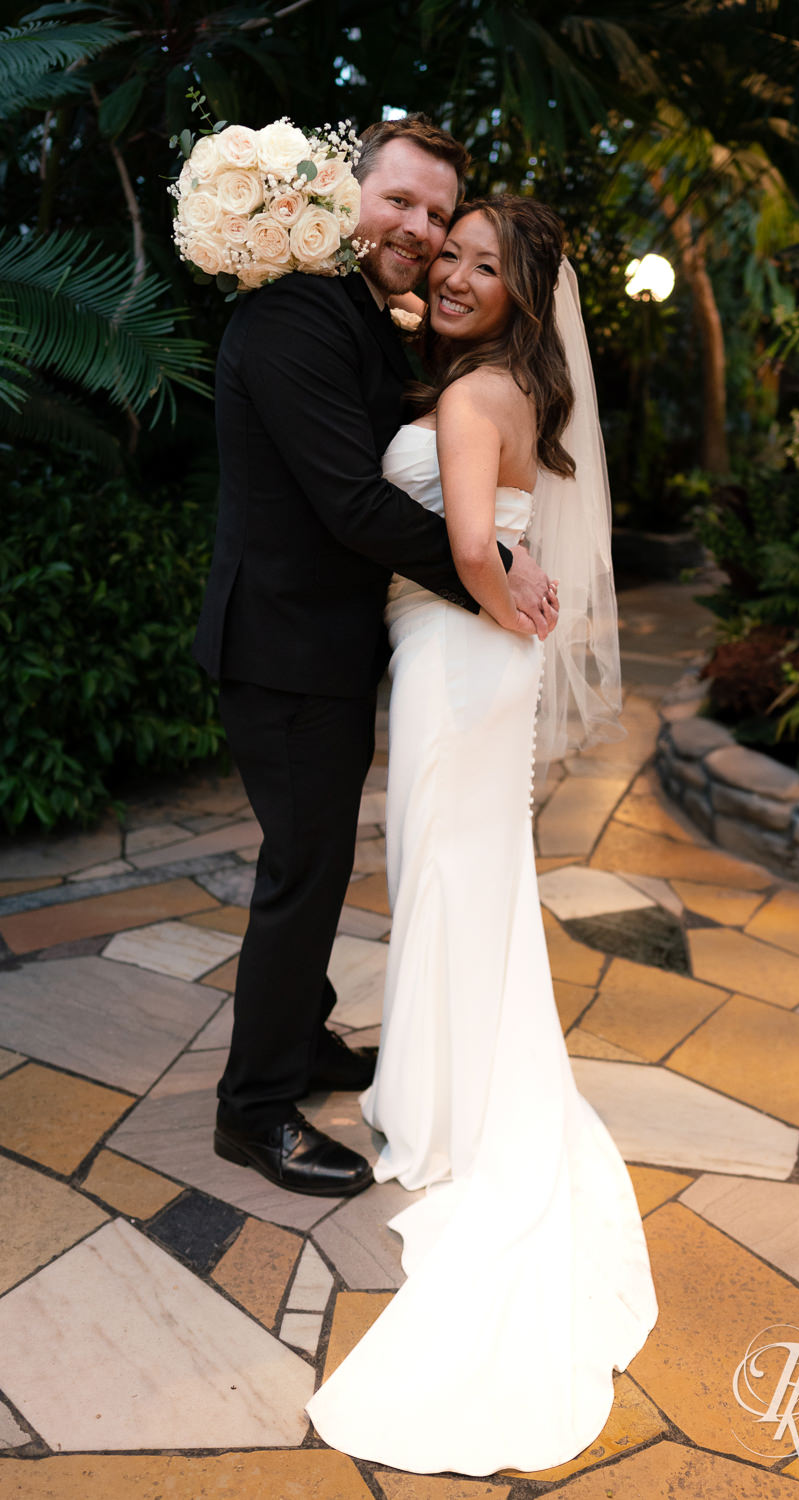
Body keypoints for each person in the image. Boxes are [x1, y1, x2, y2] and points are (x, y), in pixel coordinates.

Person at [306, 197, 657, 1475]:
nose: (450, 273)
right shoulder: (507, 387)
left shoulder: (466, 402)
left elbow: (461, 545)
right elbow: (495, 539)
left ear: (522, 288)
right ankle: (452, 1103)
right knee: (470, 886)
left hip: (459, 655)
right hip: (471, 654)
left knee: (445, 885)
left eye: (478, 264)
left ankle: (447, 1124)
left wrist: (507, 608)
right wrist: (517, 597)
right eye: (444, 253)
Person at [194, 116, 559, 1198]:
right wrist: (490, 568)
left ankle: (300, 1045)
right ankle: (252, 1109)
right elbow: (353, 504)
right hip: (283, 647)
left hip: (326, 647)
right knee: (300, 877)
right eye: (398, 201)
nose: (419, 228)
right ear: (344, 197)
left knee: (314, 867)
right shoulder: (296, 317)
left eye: (437, 213)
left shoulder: (361, 317)